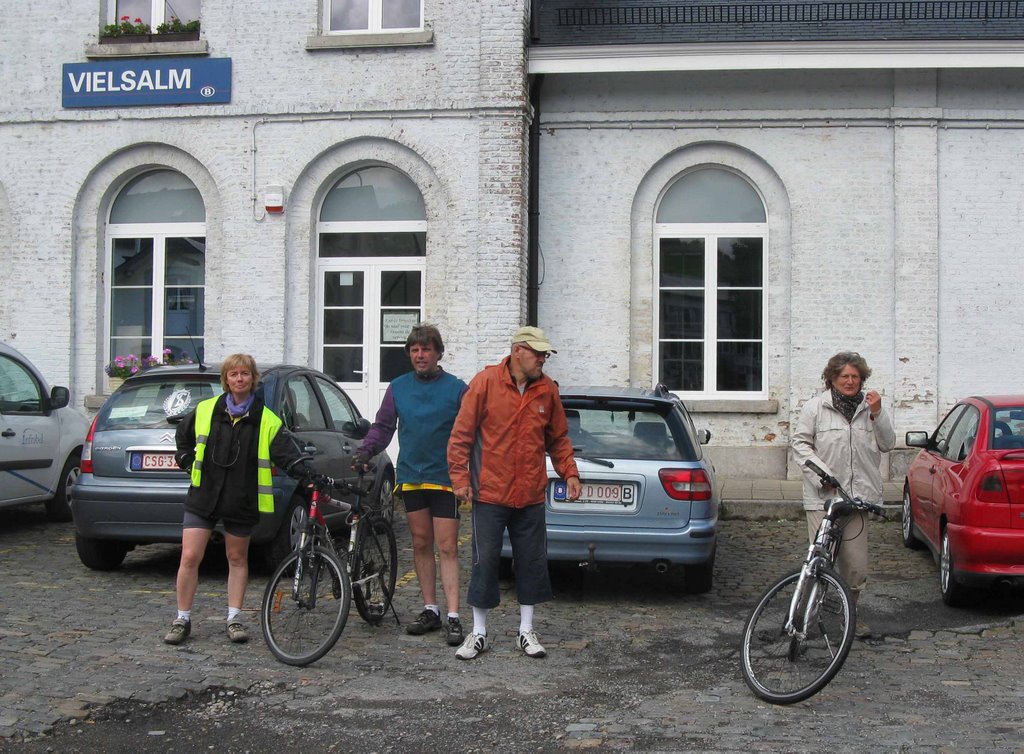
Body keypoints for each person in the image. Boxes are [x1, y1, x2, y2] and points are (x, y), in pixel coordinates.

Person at [447, 326, 582, 660]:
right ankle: (478, 632)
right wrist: (460, 477)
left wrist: (571, 473)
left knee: (532, 562)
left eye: (545, 354)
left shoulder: (547, 390)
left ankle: (526, 630)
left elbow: (559, 438)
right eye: (537, 353)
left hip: (531, 493)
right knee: (485, 561)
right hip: (490, 492)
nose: (542, 359)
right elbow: (461, 434)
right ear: (518, 350)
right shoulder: (486, 383)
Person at [165, 354, 312, 645]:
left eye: (245, 374)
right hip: (204, 495)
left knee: (236, 558)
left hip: (241, 498)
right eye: (233, 374)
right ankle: (182, 618)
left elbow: (286, 454)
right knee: (190, 557)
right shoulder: (206, 409)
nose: (239, 379)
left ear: (253, 379)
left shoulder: (266, 419)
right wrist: (184, 457)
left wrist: (308, 472)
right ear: (226, 380)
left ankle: (234, 618)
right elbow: (183, 436)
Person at [354, 324, 468, 646]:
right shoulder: (398, 387)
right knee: (420, 543)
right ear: (409, 354)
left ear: (438, 353)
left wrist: (472, 473)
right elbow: (383, 427)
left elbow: (472, 432)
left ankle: (454, 616)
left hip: (445, 479)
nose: (420, 355)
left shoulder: (457, 389)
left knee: (446, 546)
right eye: (415, 350)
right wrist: (366, 451)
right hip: (411, 477)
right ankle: (430, 609)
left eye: (427, 349)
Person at [791, 351, 895, 639]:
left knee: (855, 568)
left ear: (862, 379)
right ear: (832, 379)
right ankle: (808, 618)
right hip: (822, 499)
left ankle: (852, 615)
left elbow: (888, 444)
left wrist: (878, 413)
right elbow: (800, 445)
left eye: (855, 377)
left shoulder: (870, 408)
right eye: (844, 376)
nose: (850, 381)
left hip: (858, 499)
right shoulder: (815, 407)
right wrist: (822, 476)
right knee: (820, 562)